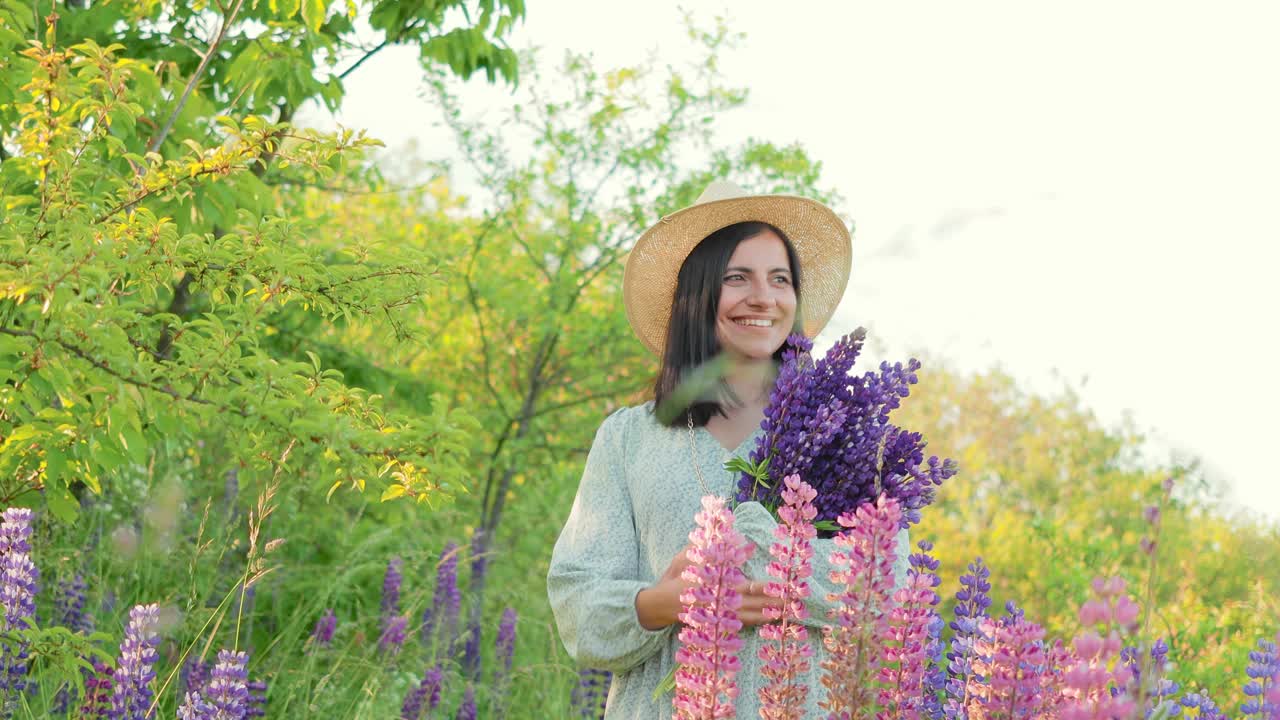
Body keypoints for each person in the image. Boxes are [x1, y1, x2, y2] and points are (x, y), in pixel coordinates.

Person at [547, 181, 911, 719]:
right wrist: (661, 604)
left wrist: (776, 568)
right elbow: (578, 603)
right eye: (736, 277)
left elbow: (890, 585)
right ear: (697, 293)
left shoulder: (844, 434)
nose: (763, 297)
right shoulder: (628, 438)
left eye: (780, 279)